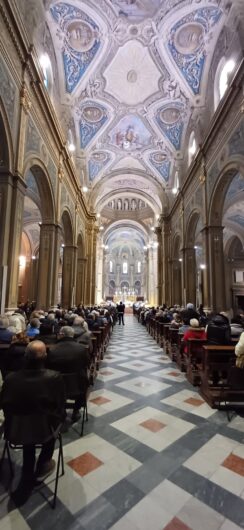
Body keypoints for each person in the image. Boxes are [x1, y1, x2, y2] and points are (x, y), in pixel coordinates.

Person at [0, 340, 65, 504]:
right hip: (45, 431)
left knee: (29, 424)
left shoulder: (10, 379)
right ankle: (43, 463)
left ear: (25, 357)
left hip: (15, 430)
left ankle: (27, 472)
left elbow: (4, 404)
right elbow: (60, 406)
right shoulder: (54, 378)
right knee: (47, 425)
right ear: (45, 357)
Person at [47, 326, 90, 422]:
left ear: (61, 335)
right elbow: (87, 363)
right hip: (77, 385)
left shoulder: (52, 350)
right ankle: (76, 410)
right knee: (83, 379)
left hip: (56, 386)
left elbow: (47, 366)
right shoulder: (81, 349)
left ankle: (61, 410)